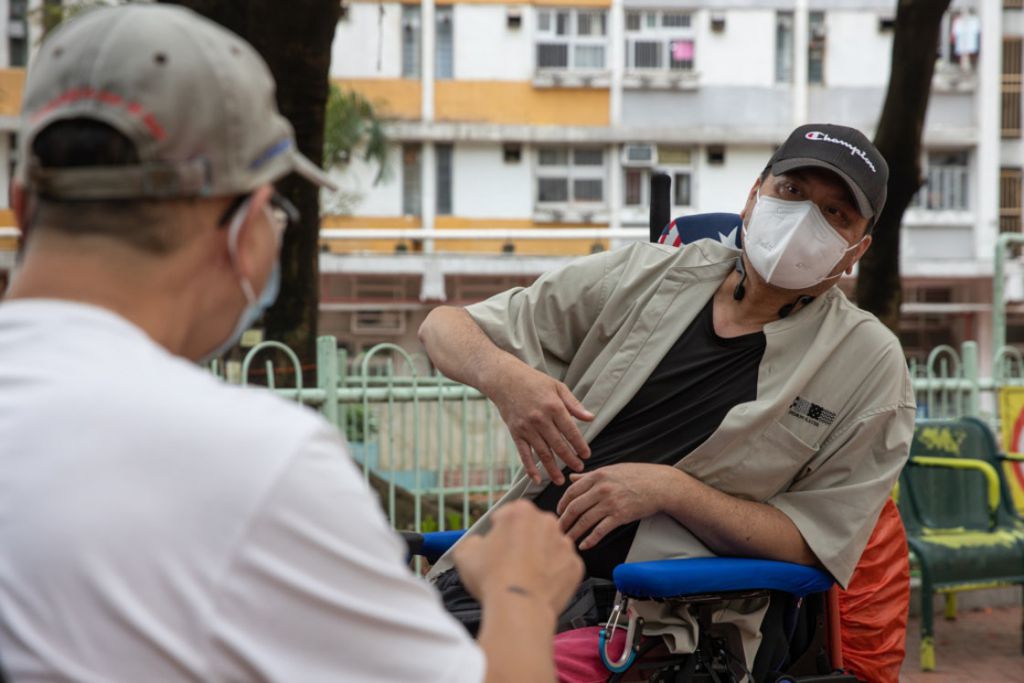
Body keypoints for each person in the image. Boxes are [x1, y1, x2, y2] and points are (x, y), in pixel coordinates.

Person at [0, 5, 583, 682]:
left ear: (22, 204)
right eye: (279, 212)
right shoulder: (251, 463)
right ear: (248, 227)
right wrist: (521, 592)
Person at [419, 124, 916, 671]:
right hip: (505, 573)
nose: (805, 220)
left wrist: (671, 491)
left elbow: (816, 543)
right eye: (793, 192)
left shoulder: (870, 364)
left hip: (659, 621)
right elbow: (444, 328)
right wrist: (506, 378)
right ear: (754, 197)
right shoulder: (648, 273)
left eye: (835, 214)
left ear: (856, 251)